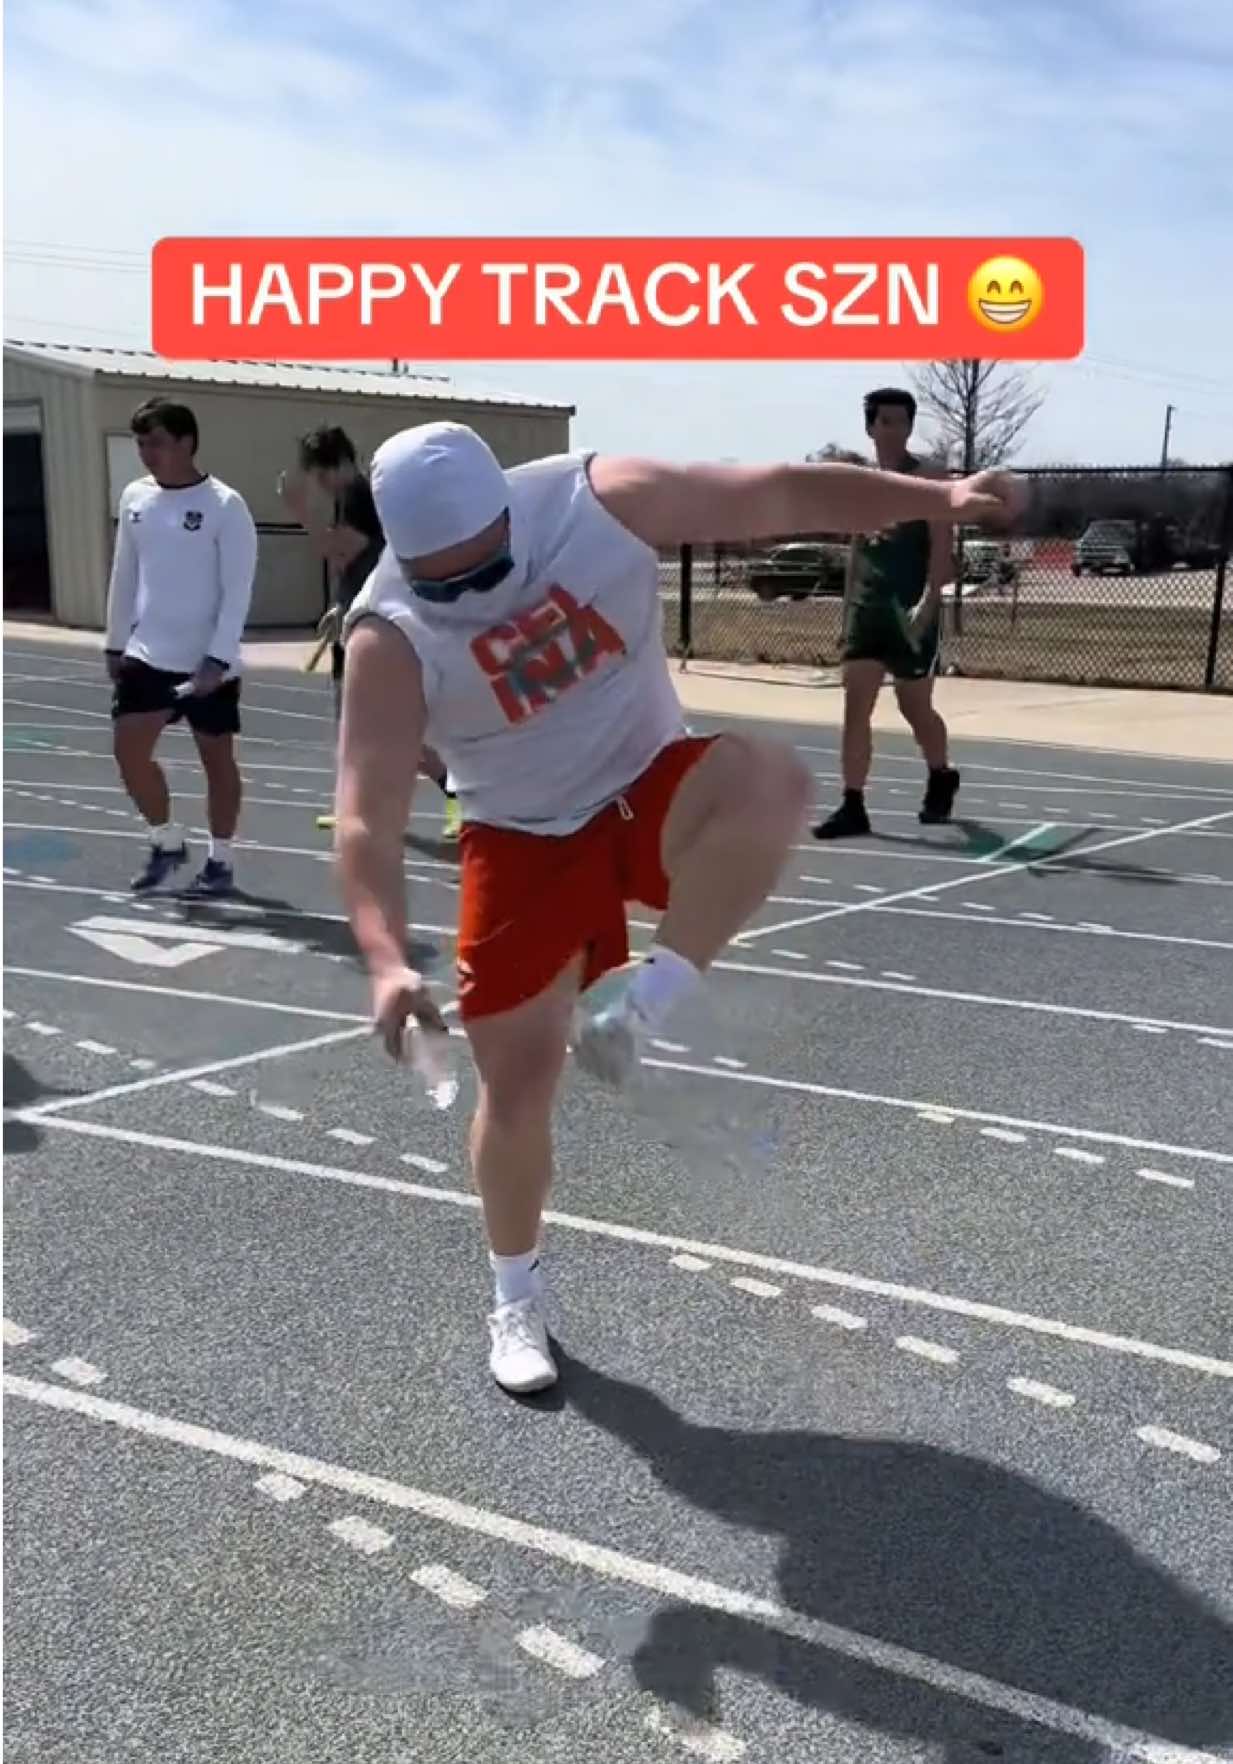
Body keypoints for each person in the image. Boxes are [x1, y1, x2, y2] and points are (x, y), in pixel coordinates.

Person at [333, 422, 1024, 1394]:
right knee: (518, 1090)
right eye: (446, 586)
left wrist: (941, 498)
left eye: (488, 568)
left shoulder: (604, 501)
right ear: (406, 567)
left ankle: (643, 1001)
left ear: (511, 514)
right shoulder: (389, 632)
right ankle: (515, 1296)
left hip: (645, 787)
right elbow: (365, 816)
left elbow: (786, 487)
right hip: (518, 834)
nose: (475, 597)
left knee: (770, 781)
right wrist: (383, 957)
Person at [104, 397, 258, 895]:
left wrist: (218, 657)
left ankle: (221, 858)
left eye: (157, 443)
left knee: (216, 760)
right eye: (141, 444)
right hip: (148, 654)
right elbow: (124, 572)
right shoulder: (135, 498)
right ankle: (166, 840)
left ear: (186, 442)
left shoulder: (224, 505)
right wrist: (115, 641)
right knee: (129, 751)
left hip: (208, 662)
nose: (147, 453)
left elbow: (238, 589)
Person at [279, 426, 461, 841]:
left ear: (341, 462)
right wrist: (338, 606)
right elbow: (355, 564)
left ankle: (458, 795)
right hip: (356, 618)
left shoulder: (361, 497)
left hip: (377, 626)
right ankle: (356, 810)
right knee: (352, 727)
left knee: (391, 731)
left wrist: (300, 511)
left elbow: (336, 549)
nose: (320, 483)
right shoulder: (348, 498)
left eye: (323, 472)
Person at [812, 387, 960, 839]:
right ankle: (852, 803)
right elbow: (857, 552)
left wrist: (929, 605)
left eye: (901, 421)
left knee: (915, 708)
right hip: (867, 611)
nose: (892, 430)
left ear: (910, 427)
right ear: (870, 427)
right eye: (884, 421)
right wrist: (846, 612)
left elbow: (942, 551)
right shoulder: (861, 486)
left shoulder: (928, 481)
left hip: (911, 612)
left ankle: (941, 775)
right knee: (856, 705)